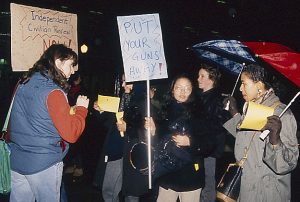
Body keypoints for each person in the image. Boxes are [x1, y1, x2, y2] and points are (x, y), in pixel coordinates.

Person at [9, 44, 90, 202]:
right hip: (43, 164)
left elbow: (36, 114)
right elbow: (71, 134)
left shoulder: (24, 82)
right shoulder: (54, 91)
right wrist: (81, 110)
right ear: (59, 62)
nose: (73, 71)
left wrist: (68, 111)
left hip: (17, 161)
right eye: (71, 65)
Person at [223, 64, 299, 202]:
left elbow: (288, 164)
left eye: (244, 83)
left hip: (266, 194)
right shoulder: (253, 109)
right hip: (246, 190)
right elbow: (249, 143)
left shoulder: (281, 115)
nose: (240, 88)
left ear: (258, 85)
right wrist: (234, 113)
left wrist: (275, 141)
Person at [152, 74, 214, 202]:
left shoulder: (200, 113)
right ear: (172, 89)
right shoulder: (164, 111)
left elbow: (210, 143)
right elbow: (159, 144)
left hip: (190, 175)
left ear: (192, 91)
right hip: (167, 173)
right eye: (179, 87)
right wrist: (153, 131)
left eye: (187, 88)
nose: (182, 91)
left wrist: (190, 141)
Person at [93, 75, 152, 202]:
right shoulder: (119, 100)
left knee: (131, 194)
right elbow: (109, 124)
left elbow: (149, 131)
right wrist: (101, 110)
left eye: (128, 81)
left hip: (133, 154)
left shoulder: (144, 102)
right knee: (108, 190)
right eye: (123, 81)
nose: (124, 84)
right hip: (116, 151)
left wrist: (128, 127)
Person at [196, 64, 230, 202]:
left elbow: (219, 126)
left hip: (209, 150)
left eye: (202, 76)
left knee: (207, 183)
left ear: (212, 79)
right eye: (198, 75)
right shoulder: (200, 97)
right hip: (198, 147)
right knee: (198, 183)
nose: (198, 79)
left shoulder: (217, 100)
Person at [64, 72, 87, 177]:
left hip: (79, 118)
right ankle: (72, 165)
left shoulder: (82, 90)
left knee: (78, 146)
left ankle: (79, 167)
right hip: (70, 118)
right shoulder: (69, 89)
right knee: (71, 145)